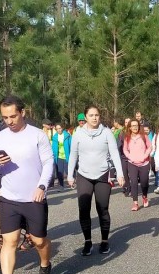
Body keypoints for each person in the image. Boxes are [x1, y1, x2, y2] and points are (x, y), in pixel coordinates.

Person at [0, 95, 54, 274]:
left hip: (34, 197)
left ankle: (45, 265)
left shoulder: (37, 135)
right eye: (5, 118)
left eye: (13, 116)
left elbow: (49, 162)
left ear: (22, 113)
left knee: (39, 240)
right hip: (8, 197)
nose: (9, 121)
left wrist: (42, 186)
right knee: (9, 241)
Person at [67, 105, 125, 255]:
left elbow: (114, 153)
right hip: (84, 175)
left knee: (102, 208)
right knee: (84, 209)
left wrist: (120, 173)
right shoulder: (78, 134)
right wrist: (70, 175)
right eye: (91, 115)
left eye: (97, 115)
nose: (94, 118)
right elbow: (73, 154)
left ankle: (104, 241)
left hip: (102, 175)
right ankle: (88, 241)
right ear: (85, 117)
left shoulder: (106, 133)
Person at [122, 119, 152, 211]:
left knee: (144, 182)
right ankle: (135, 203)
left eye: (136, 125)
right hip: (132, 163)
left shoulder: (144, 136)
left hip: (144, 163)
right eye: (133, 126)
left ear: (139, 126)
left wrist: (145, 156)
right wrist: (129, 156)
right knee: (133, 182)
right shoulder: (127, 137)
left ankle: (144, 196)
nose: (135, 127)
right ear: (130, 127)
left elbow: (150, 147)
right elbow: (125, 149)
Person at [51, 124, 72, 189]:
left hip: (67, 156)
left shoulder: (67, 136)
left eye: (60, 128)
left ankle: (71, 182)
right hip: (59, 157)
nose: (59, 130)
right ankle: (61, 185)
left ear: (62, 128)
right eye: (57, 129)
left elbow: (71, 145)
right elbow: (53, 148)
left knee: (68, 170)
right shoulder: (54, 137)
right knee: (60, 172)